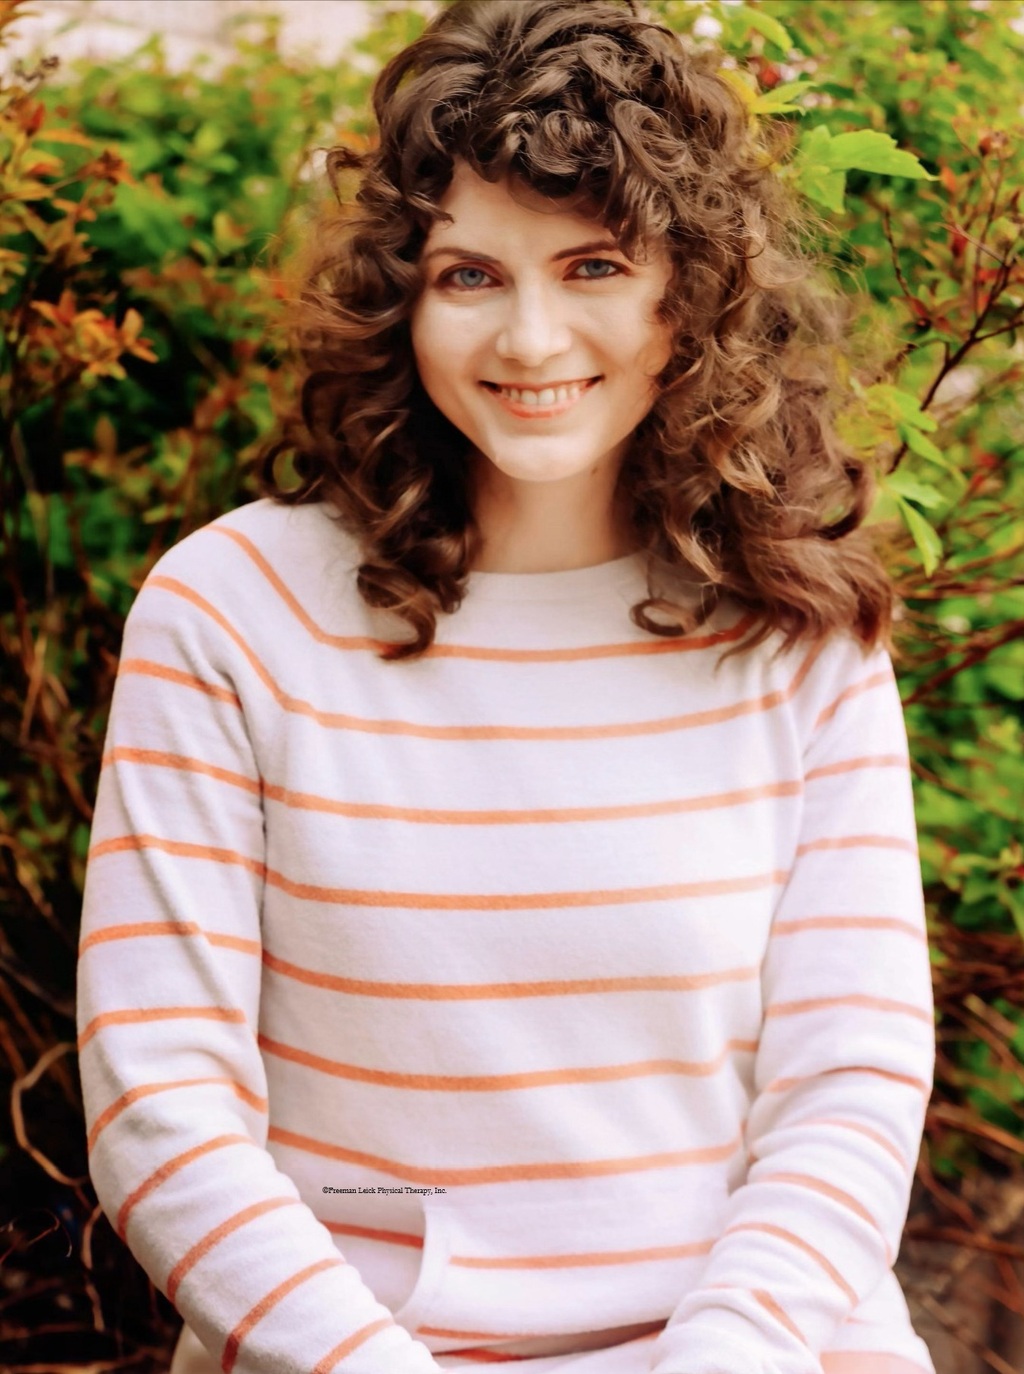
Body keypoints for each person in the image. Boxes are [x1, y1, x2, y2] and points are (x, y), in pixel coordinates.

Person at [75, 2, 937, 1372]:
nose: (532, 340)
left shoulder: (799, 629)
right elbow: (158, 1100)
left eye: (592, 263)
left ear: (689, 293)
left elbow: (848, 1090)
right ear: (402, 298)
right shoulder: (230, 611)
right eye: (470, 275)